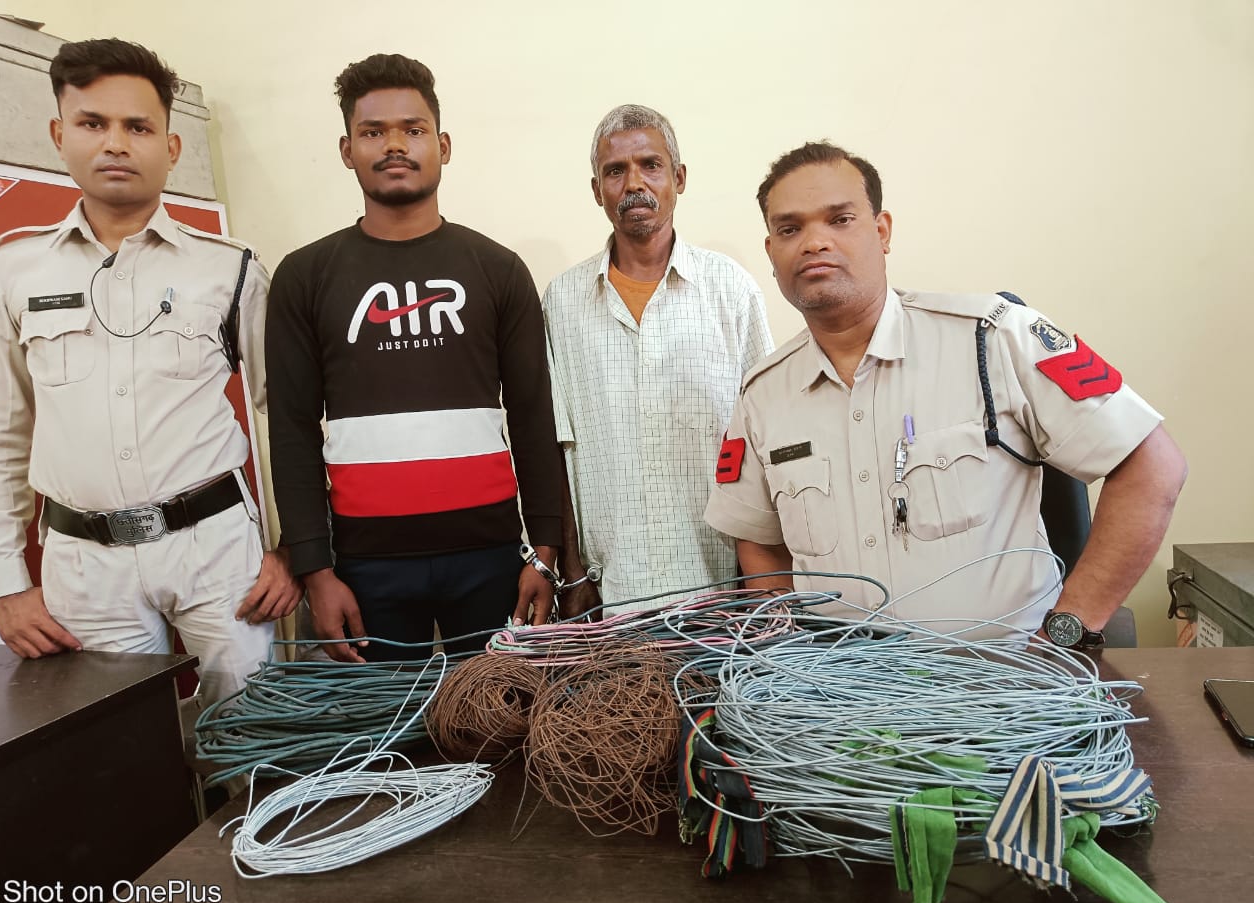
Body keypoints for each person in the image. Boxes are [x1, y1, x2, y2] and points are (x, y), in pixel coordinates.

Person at [704, 141, 1187, 644]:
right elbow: (758, 540)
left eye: (840, 219)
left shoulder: (994, 338)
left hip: (1006, 682)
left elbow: (1154, 467)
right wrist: (789, 654)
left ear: (882, 231)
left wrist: (1067, 631)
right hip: (836, 686)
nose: (814, 242)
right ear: (771, 252)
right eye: (790, 229)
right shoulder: (762, 395)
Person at [0, 39, 300, 706]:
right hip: (84, 568)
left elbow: (290, 417)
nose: (115, 144)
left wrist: (295, 548)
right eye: (93, 124)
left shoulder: (231, 268)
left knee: (253, 735)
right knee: (122, 750)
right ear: (59, 135)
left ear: (171, 147)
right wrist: (6, 583)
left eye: (138, 127)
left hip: (218, 554)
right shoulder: (13, 269)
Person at [266, 53, 563, 662]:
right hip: (362, 567)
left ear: (443, 146)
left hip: (491, 559)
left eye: (413, 129)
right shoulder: (304, 276)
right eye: (373, 132)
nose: (395, 145)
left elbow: (535, 417)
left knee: (494, 715)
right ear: (347, 150)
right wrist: (316, 571)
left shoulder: (499, 270)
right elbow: (291, 431)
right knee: (382, 723)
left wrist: (545, 552)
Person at [542, 105, 773, 619]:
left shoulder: (730, 290)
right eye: (615, 171)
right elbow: (557, 447)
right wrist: (573, 574)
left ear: (679, 178)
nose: (634, 184)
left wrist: (757, 578)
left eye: (650, 165)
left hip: (719, 587)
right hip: (608, 591)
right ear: (597, 189)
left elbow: (766, 439)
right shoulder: (563, 301)